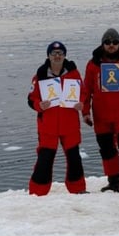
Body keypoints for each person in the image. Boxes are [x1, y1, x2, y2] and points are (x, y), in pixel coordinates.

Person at [81, 27, 119, 193]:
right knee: (107, 150)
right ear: (102, 44)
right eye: (107, 42)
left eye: (115, 42)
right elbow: (86, 89)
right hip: (101, 116)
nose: (111, 45)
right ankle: (113, 181)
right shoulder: (93, 64)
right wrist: (85, 112)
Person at [27, 41, 87, 196]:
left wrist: (81, 104)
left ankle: (78, 189)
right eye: (54, 53)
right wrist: (40, 105)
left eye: (60, 53)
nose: (57, 56)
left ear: (65, 55)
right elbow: (31, 99)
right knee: (45, 159)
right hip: (48, 125)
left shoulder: (73, 73)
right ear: (48, 56)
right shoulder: (39, 76)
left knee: (74, 158)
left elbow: (83, 93)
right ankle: (37, 193)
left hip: (70, 123)